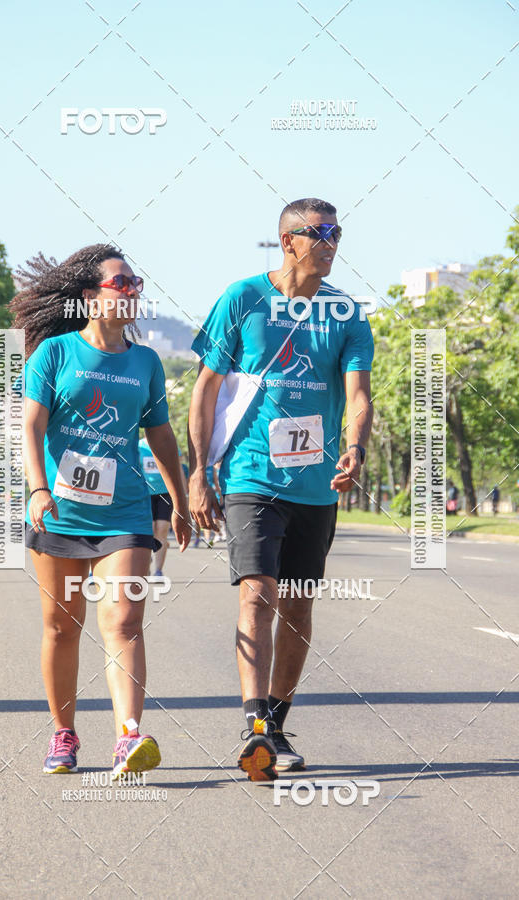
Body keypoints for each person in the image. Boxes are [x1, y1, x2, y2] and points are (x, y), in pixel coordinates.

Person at [188, 198, 374, 781]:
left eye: (336, 232)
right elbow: (206, 389)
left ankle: (278, 719)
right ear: (287, 240)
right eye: (318, 232)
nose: (330, 242)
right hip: (250, 474)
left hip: (315, 484)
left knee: (296, 605)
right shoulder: (243, 298)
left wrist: (356, 447)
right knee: (256, 594)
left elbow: (359, 393)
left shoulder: (346, 311)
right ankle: (255, 726)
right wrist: (199, 470)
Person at [12, 243, 190, 778]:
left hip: (126, 514)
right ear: (90, 297)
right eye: (121, 283)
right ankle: (63, 735)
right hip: (60, 513)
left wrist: (179, 501)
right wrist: (39, 490)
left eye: (136, 283)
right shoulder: (56, 354)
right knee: (62, 628)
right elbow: (30, 427)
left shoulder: (146, 362)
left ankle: (128, 737)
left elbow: (161, 437)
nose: (133, 291)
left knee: (125, 621)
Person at [138, 435, 188, 574]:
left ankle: (158, 570)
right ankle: (146, 564)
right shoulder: (139, 446)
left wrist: (184, 495)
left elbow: (178, 470)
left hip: (165, 493)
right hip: (145, 493)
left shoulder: (168, 443)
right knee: (149, 530)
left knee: (162, 529)